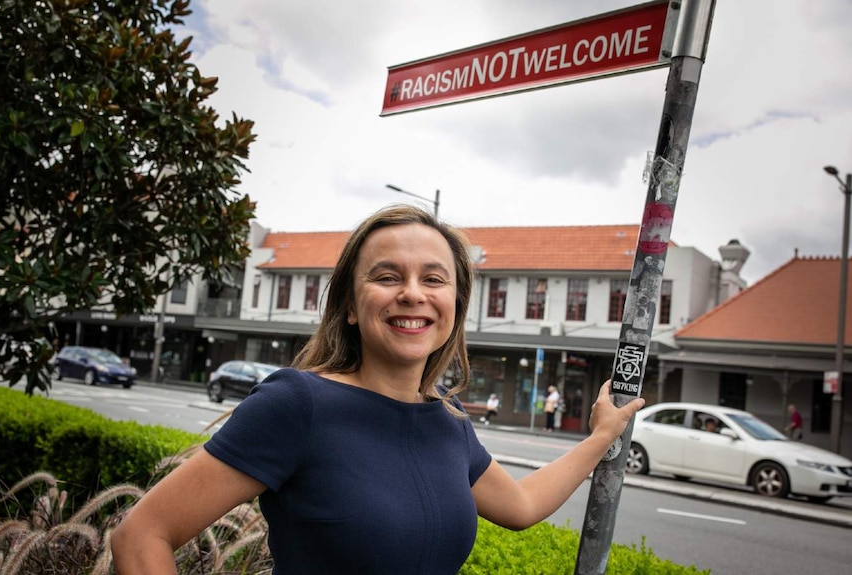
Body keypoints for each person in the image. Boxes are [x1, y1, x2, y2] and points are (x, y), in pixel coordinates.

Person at [110, 205, 644, 574]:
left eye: (434, 280)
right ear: (348, 304)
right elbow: (140, 535)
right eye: (388, 276)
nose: (413, 294)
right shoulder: (298, 404)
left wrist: (600, 437)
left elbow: (523, 505)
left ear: (454, 305)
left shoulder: (448, 421)